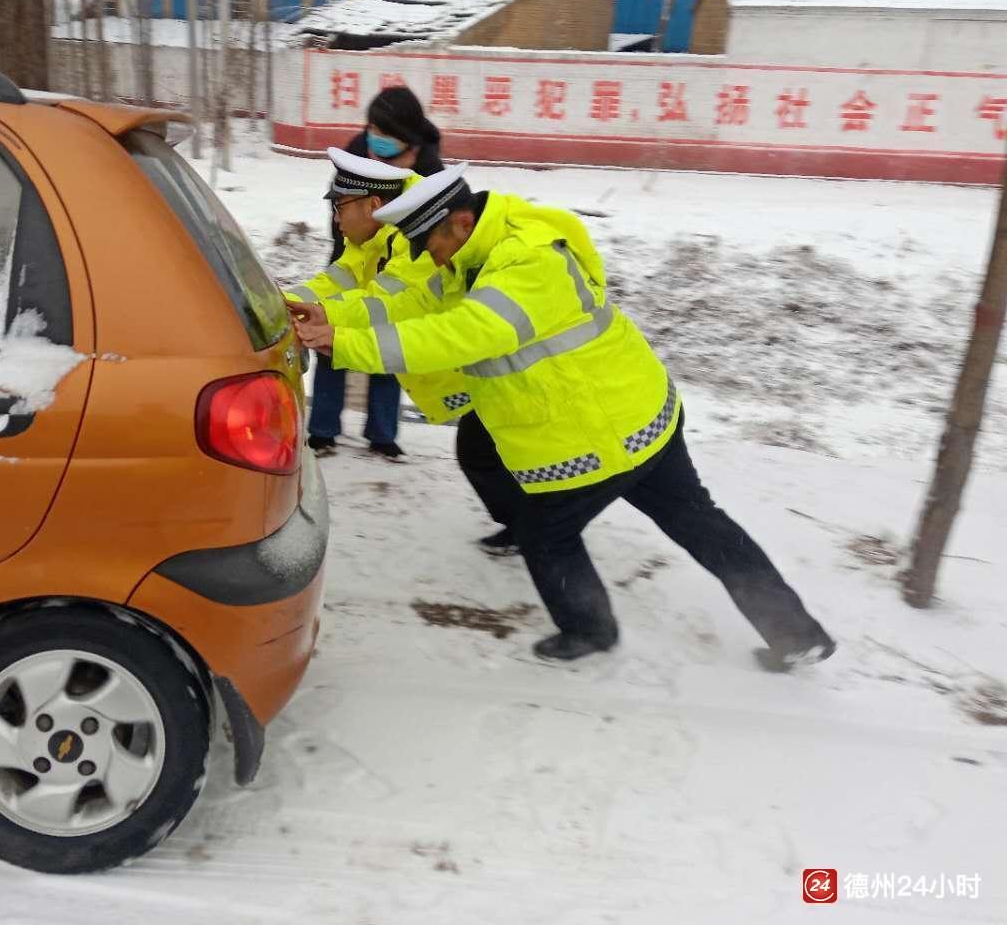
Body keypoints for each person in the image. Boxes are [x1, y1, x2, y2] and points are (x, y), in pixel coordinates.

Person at [291, 166, 835, 670]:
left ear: (460, 221)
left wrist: (341, 343)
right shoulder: (471, 256)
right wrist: (330, 315)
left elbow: (465, 333)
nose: (430, 258)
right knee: (699, 521)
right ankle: (797, 633)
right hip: (637, 412)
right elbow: (409, 306)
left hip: (599, 432)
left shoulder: (530, 259)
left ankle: (590, 630)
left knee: (546, 534)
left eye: (431, 243)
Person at [285, 148, 475, 459]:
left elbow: (385, 302)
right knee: (481, 459)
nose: (335, 218)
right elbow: (340, 278)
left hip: (474, 375)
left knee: (488, 460)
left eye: (339, 206)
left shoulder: (417, 235)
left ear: (374, 205)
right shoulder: (375, 235)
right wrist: (279, 301)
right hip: (460, 373)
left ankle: (380, 436)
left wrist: (326, 318)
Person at [309, 87, 447, 459]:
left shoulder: (431, 173)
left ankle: (383, 434)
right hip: (352, 258)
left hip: (403, 272)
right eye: (373, 131)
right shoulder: (354, 155)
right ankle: (322, 430)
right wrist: (349, 269)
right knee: (330, 343)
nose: (377, 143)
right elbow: (340, 217)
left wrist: (388, 282)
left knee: (386, 347)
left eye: (387, 138)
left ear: (411, 142)